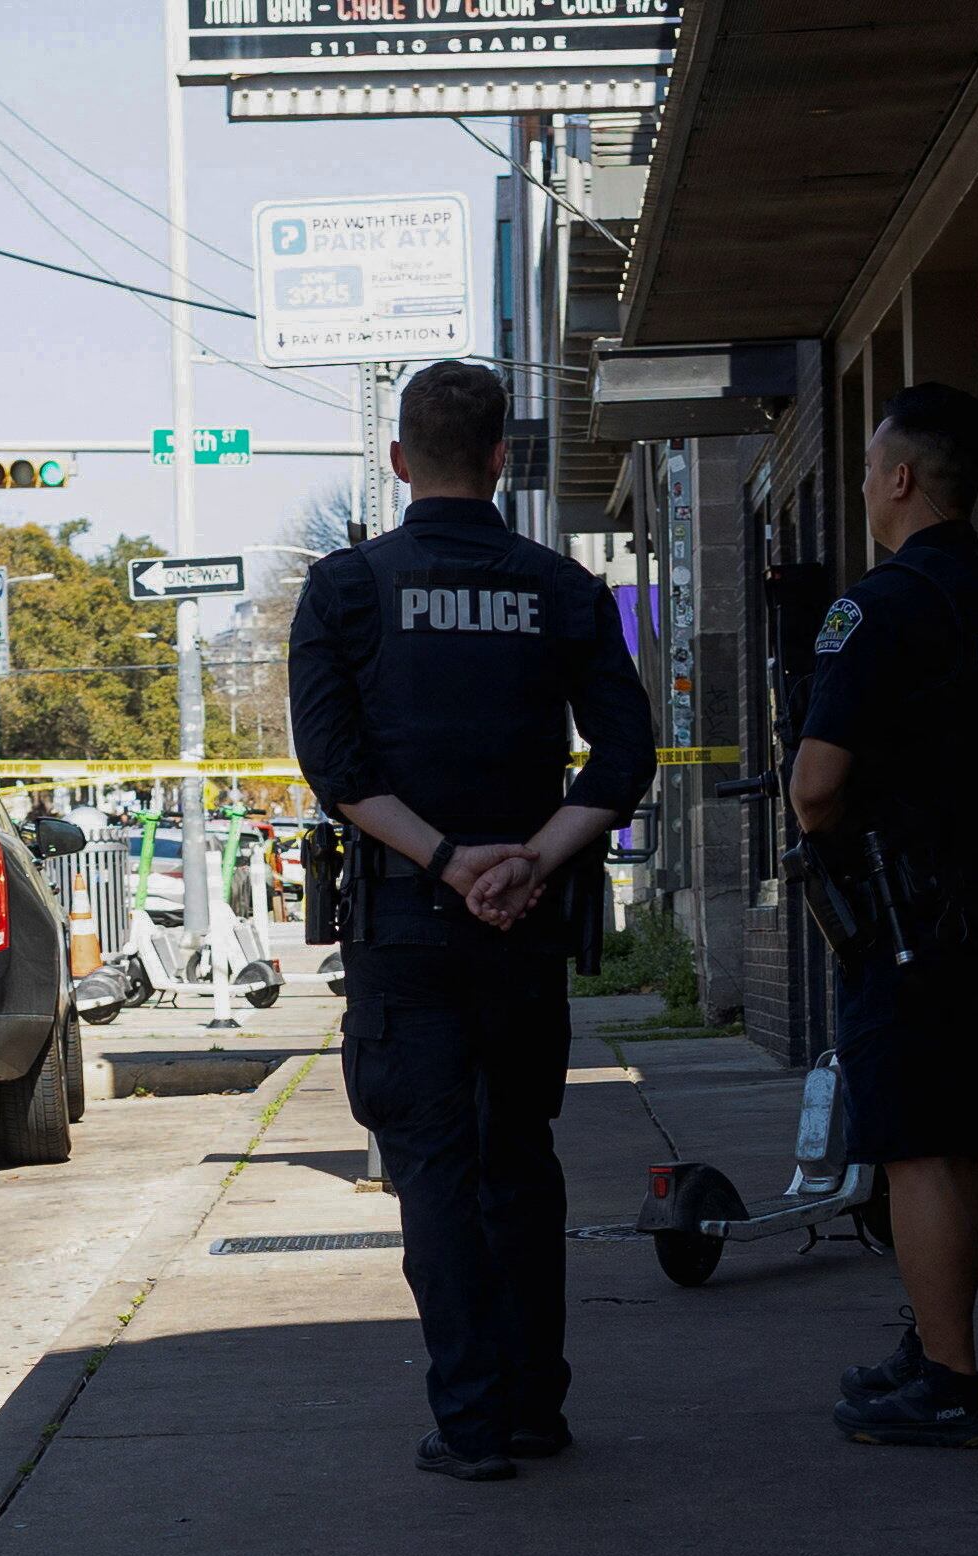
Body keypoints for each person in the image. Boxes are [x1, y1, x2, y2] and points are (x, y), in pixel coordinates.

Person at [285, 358, 656, 1479]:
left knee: (436, 1174)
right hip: (526, 930)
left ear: (400, 462)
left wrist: (445, 862)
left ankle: (472, 1423)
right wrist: (529, 862)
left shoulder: (347, 588)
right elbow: (624, 755)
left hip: (408, 927)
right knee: (521, 1162)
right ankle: (536, 1405)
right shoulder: (562, 589)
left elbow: (334, 766)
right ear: (503, 459)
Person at [790, 380, 978, 1450]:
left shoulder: (883, 604)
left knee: (915, 1147)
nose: (862, 486)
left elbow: (817, 781)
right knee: (953, 1140)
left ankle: (949, 1381)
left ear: (902, 478)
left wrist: (838, 853)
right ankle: (937, 1339)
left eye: (866, 468)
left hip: (903, 916)